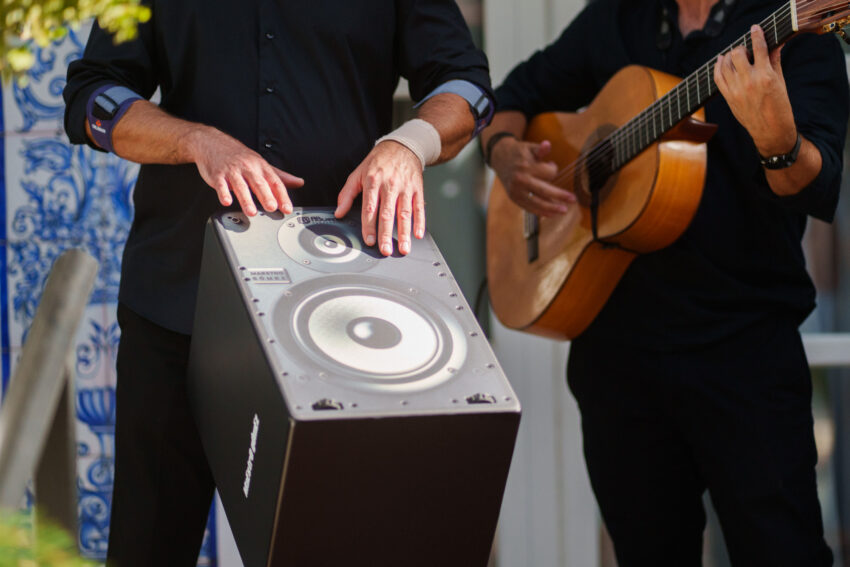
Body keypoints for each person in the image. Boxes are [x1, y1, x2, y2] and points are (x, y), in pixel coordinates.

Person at [63, 2, 493, 564]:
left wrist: (408, 142)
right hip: (177, 305)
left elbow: (466, 86)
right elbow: (93, 96)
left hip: (342, 320)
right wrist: (196, 141)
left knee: (332, 545)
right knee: (148, 547)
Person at [482, 0, 848, 565]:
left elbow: (814, 185)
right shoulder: (618, 16)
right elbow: (512, 95)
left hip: (744, 355)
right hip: (616, 360)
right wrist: (505, 155)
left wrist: (778, 142)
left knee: (783, 551)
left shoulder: (791, 27)